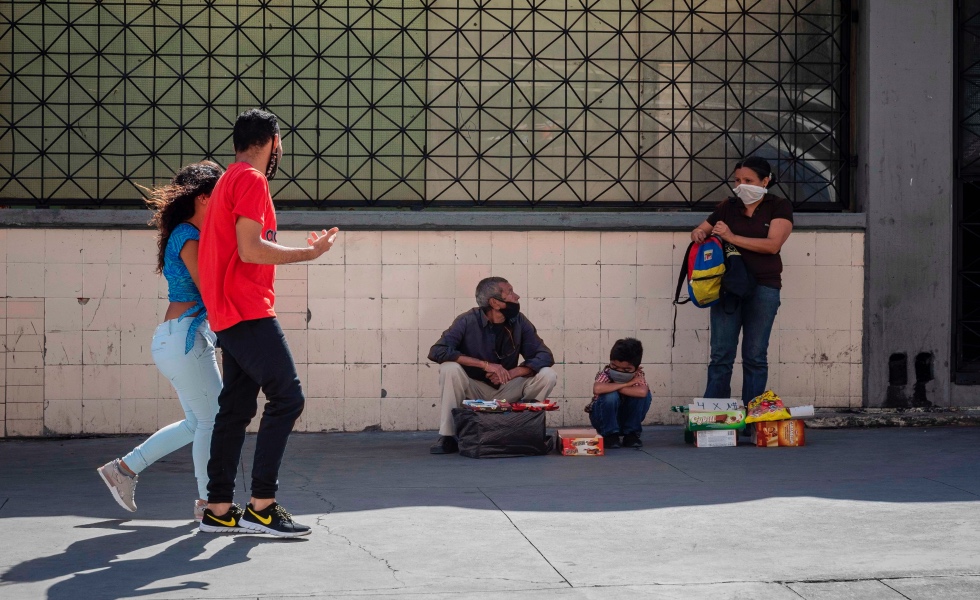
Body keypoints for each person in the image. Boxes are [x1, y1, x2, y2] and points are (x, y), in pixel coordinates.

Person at [197, 108, 339, 537]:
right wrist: (308, 254)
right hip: (247, 311)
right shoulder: (251, 179)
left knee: (236, 409)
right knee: (288, 398)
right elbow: (251, 249)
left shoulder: (227, 179)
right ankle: (262, 506)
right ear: (274, 142)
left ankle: (219, 509)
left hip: (228, 312)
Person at [98, 161, 224, 520]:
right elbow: (209, 289)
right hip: (185, 338)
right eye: (222, 195)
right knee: (211, 420)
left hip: (178, 338)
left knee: (195, 423)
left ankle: (122, 469)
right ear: (203, 198)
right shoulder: (188, 234)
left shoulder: (189, 234)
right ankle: (208, 503)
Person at [689, 156, 794, 413]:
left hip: (764, 286)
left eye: (748, 180)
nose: (741, 185)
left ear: (765, 181)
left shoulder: (778, 206)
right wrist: (700, 234)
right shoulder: (728, 206)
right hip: (728, 288)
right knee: (721, 354)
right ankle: (715, 415)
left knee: (755, 356)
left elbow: (772, 245)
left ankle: (753, 417)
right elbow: (699, 230)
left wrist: (732, 237)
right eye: (737, 180)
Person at [427, 277, 558, 454]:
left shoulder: (520, 321)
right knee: (449, 368)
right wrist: (485, 365)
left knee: (548, 374)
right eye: (510, 292)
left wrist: (513, 372)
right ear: (495, 302)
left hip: (507, 387)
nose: (517, 296)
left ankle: (521, 428)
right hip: (475, 390)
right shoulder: (467, 320)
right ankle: (449, 436)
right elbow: (438, 351)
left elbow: (544, 355)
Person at [586, 338, 652, 449]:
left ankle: (631, 434)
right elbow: (597, 388)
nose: (620, 372)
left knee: (641, 397)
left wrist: (613, 386)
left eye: (626, 370)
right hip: (603, 420)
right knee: (609, 396)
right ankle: (610, 435)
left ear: (636, 369)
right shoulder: (606, 373)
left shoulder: (637, 375)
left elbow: (642, 392)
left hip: (625, 418)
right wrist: (627, 384)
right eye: (615, 367)